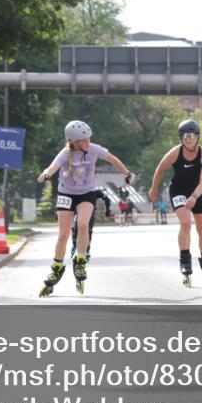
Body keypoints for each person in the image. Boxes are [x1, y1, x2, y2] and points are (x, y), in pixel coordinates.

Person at [36, 120, 134, 296]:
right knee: (64, 234)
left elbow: (113, 159)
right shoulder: (65, 153)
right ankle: (57, 266)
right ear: (74, 142)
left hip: (87, 193)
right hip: (66, 194)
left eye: (89, 139)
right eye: (84, 141)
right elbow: (53, 166)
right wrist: (45, 174)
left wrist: (126, 174)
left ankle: (80, 260)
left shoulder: (94, 149)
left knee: (82, 224)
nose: (88, 143)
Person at [149, 119, 202, 287]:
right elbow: (160, 169)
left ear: (198, 137)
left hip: (198, 191)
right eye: (184, 136)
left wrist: (195, 196)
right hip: (179, 190)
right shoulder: (175, 152)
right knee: (186, 223)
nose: (187, 139)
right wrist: (154, 189)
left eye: (191, 135)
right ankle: (185, 261)